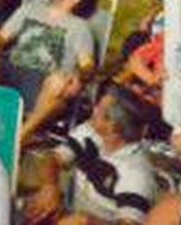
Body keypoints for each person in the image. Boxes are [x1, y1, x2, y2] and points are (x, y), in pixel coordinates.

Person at [29, 86, 157, 224]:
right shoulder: (91, 132)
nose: (93, 109)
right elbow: (52, 158)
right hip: (71, 213)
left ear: (112, 125)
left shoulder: (135, 174)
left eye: (99, 108)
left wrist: (88, 221)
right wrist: (50, 186)